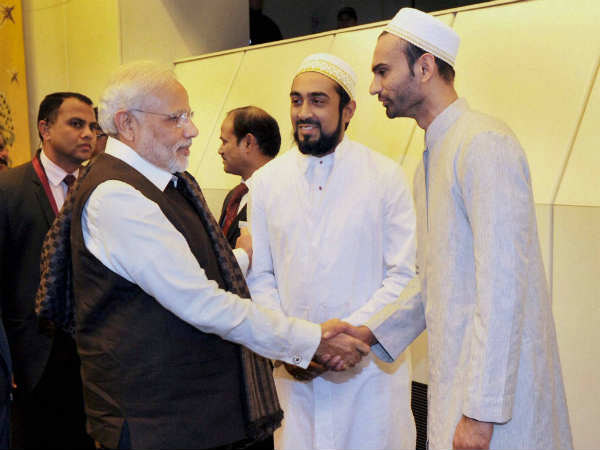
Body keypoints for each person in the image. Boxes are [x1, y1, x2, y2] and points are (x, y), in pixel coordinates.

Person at [35, 61, 369, 450]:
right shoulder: (116, 196)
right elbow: (199, 300)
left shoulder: (164, 184)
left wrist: (240, 259)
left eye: (189, 115)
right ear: (127, 124)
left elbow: (185, 271)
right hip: (154, 427)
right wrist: (310, 339)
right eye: (176, 118)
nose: (192, 129)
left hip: (186, 423)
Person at [358, 7, 573, 449]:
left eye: (382, 71)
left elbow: (503, 290)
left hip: (496, 414)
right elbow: (433, 282)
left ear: (424, 67)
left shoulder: (483, 143)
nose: (374, 87)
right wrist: (370, 333)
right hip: (459, 392)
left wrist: (481, 414)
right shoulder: (431, 160)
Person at [246, 53, 417, 450]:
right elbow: (261, 276)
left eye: (318, 100)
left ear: (348, 110)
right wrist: (296, 344)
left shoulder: (386, 177)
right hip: (295, 376)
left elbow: (403, 275)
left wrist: (343, 343)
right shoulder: (266, 183)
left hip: (368, 377)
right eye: (296, 100)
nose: (303, 112)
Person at [0, 92, 96, 448]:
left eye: (93, 126)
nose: (88, 134)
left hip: (94, 351)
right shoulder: (8, 189)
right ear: (45, 128)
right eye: (76, 124)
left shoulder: (101, 188)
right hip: (35, 353)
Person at [218, 106, 280, 279]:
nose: (220, 150)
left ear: (248, 143)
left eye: (224, 142)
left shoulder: (279, 196)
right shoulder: (234, 196)